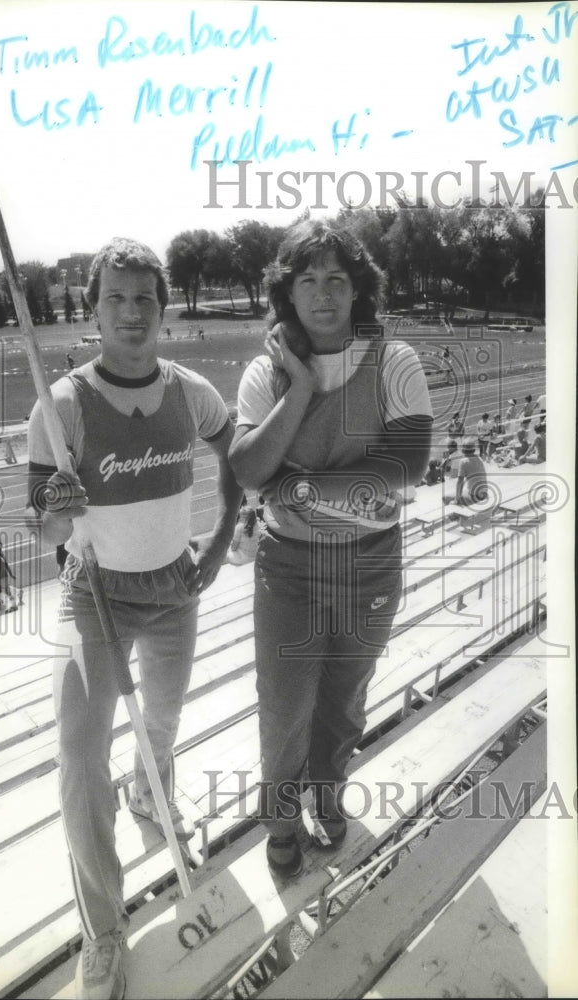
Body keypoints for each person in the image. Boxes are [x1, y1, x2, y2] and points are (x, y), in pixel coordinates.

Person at [25, 237, 242, 1000]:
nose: (130, 312)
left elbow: (235, 459)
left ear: (164, 306)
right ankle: (104, 931)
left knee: (160, 731)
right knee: (81, 761)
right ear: (93, 310)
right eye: (114, 297)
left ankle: (153, 792)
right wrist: (58, 512)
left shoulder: (190, 391)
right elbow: (44, 534)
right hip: (96, 595)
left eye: (144, 297)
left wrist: (218, 546)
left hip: (175, 590)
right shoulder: (58, 407)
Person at [229, 219, 432, 879]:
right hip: (289, 568)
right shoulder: (267, 372)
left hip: (371, 559)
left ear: (358, 290)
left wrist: (297, 486)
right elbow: (248, 469)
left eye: (336, 279)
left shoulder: (394, 360)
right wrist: (303, 392)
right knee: (285, 705)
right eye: (308, 280)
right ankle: (282, 823)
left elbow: (405, 465)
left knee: (344, 700)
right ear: (288, 291)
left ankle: (328, 792)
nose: (322, 293)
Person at [455, 437, 488, 506]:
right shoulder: (479, 459)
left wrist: (457, 499)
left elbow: (460, 481)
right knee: (465, 491)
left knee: (446, 497)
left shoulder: (463, 462)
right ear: (474, 450)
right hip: (484, 494)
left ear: (463, 451)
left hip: (475, 496)